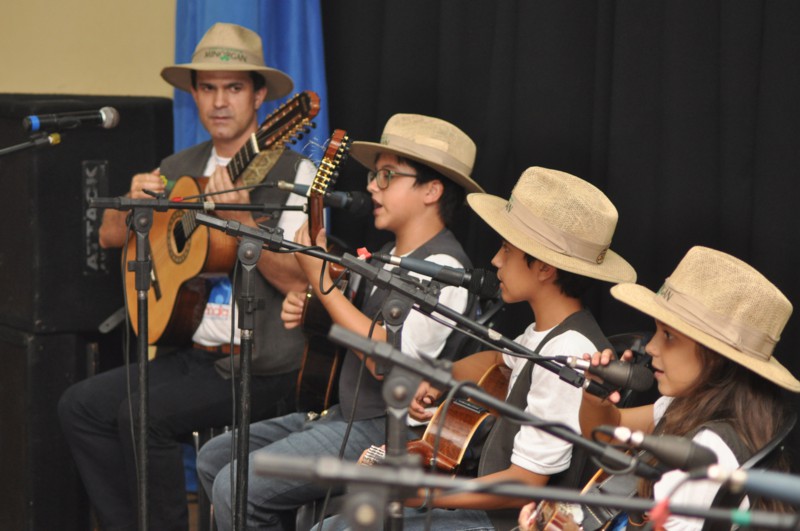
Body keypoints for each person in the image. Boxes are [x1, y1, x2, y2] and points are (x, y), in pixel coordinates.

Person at [57, 23, 315, 531]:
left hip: (263, 362)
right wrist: (130, 204)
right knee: (80, 406)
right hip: (192, 350)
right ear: (193, 94)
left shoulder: (292, 173)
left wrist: (240, 222)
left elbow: (298, 282)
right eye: (207, 88)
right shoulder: (180, 166)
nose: (219, 102)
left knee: (142, 416)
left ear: (259, 97)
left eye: (234, 88)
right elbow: (111, 236)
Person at [195, 113, 484, 530]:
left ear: (431, 190)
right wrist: (312, 307)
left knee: (235, 485)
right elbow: (350, 326)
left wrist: (320, 283)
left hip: (387, 430)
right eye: (373, 175)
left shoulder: (445, 270)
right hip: (344, 413)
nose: (372, 186)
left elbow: (385, 361)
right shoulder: (386, 257)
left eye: (387, 176)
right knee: (214, 457)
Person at [315, 166, 638, 530]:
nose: (496, 260)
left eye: (506, 249)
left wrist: (426, 493)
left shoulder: (569, 351)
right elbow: (498, 359)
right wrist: (442, 376)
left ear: (544, 268)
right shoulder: (544, 333)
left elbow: (524, 484)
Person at [520, 246, 800, 531]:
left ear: (715, 357)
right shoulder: (695, 405)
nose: (651, 346)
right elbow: (610, 433)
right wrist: (595, 397)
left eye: (668, 335)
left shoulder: (707, 451)